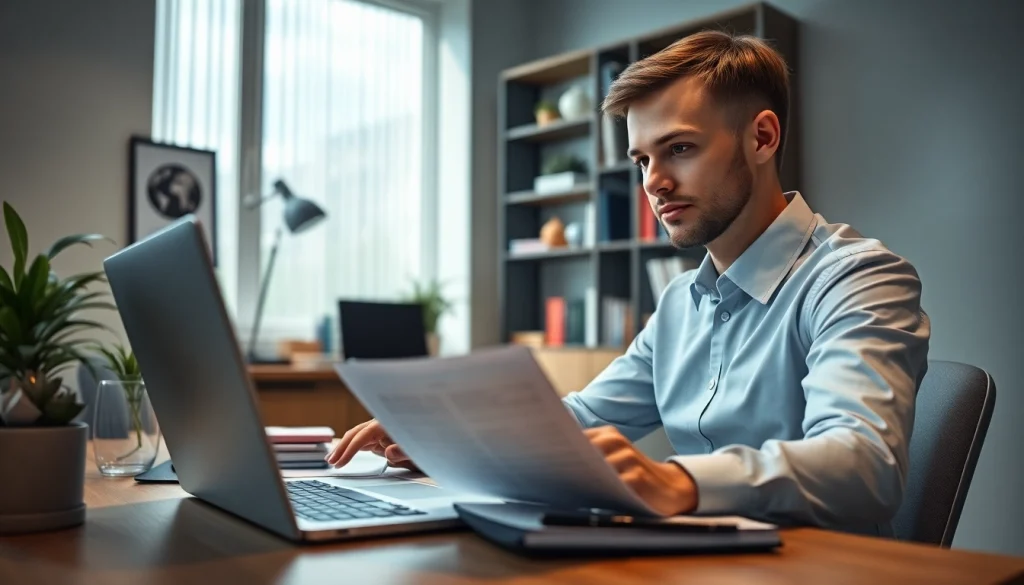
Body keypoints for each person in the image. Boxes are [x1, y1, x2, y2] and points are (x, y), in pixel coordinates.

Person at [326, 30, 930, 536]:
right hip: (702, 562)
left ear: (762, 137)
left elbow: (863, 465)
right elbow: (585, 417)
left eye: (680, 149)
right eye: (642, 160)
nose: (654, 182)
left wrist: (678, 479)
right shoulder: (679, 304)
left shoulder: (857, 278)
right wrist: (445, 430)